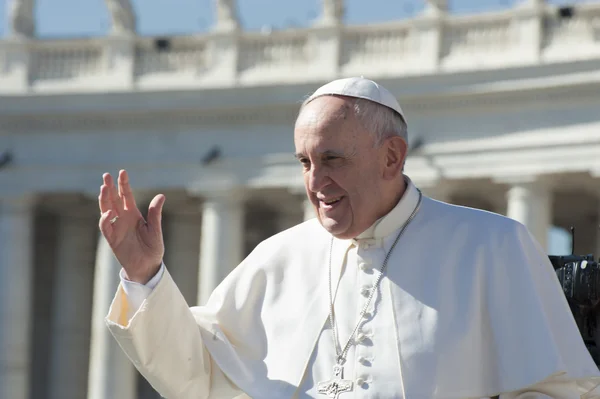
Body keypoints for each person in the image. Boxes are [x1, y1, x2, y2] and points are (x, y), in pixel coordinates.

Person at [99, 77, 600, 398]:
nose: (316, 182)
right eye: (305, 162)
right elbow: (199, 375)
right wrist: (145, 276)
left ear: (391, 157)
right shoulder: (278, 258)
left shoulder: (492, 245)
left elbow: (558, 389)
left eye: (333, 159)